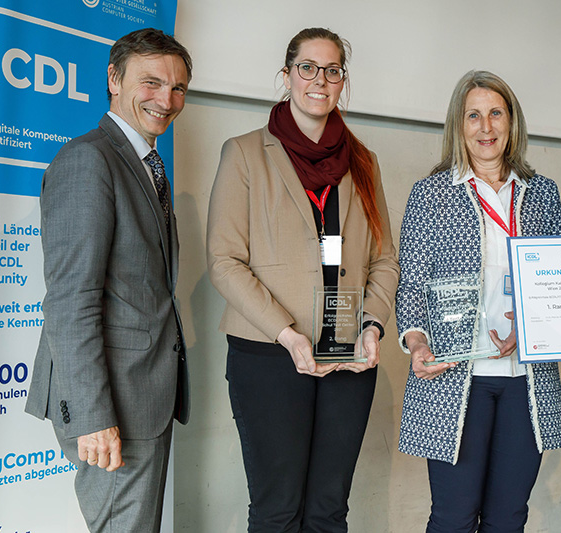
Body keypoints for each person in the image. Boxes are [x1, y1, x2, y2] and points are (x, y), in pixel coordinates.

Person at [206, 27, 399, 532]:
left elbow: (384, 259)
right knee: (277, 511)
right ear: (287, 75)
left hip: (348, 357)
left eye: (332, 70)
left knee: (329, 511)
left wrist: (373, 325)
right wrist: (287, 333)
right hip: (269, 356)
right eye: (308, 67)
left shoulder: (363, 161)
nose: (320, 80)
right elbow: (225, 261)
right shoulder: (245, 154)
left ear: (342, 81)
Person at [25, 28, 192, 532]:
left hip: (144, 396)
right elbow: (71, 300)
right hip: (113, 403)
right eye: (152, 83)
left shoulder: (143, 163)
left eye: (178, 87)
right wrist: (95, 415)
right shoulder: (89, 160)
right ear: (114, 80)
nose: (166, 99)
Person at [396, 70, 561, 532]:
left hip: (526, 380)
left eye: (496, 113)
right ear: (459, 124)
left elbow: (558, 289)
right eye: (474, 115)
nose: (485, 126)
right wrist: (416, 343)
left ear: (512, 123)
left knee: (508, 517)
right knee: (453, 516)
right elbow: (410, 285)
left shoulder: (542, 195)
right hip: (456, 380)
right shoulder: (431, 194)